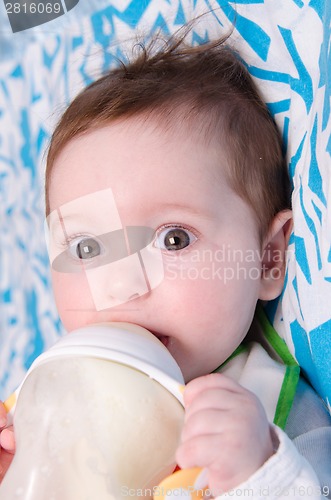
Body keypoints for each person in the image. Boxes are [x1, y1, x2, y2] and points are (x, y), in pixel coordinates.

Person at [0, 29, 330, 497]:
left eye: (174, 238)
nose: (122, 287)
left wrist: (259, 475)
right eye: (87, 249)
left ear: (268, 257)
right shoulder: (46, 408)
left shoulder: (269, 418)